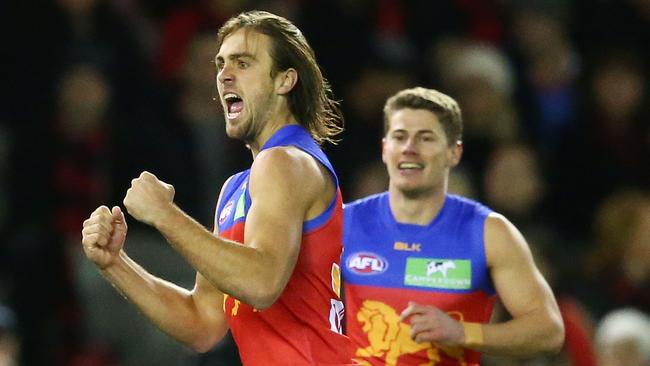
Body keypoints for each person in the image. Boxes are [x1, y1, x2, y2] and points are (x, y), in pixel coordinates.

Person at [81, 10, 355, 365]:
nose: (224, 75)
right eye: (221, 63)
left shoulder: (286, 162)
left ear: (285, 80)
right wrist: (116, 263)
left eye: (243, 63)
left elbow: (261, 283)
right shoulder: (236, 188)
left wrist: (164, 215)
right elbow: (203, 324)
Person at [341, 87, 564, 365]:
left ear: (453, 153)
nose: (409, 148)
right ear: (385, 149)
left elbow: (549, 331)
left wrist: (461, 332)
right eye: (399, 137)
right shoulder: (342, 224)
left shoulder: (489, 233)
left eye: (425, 138)